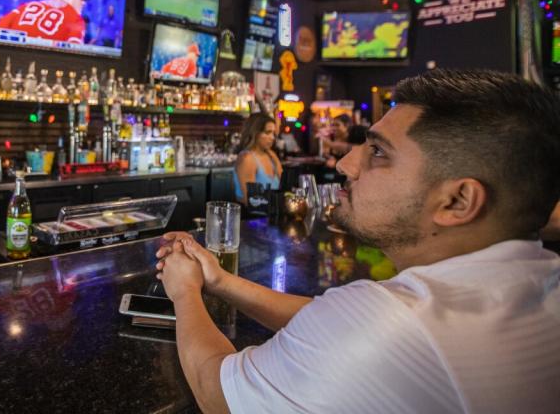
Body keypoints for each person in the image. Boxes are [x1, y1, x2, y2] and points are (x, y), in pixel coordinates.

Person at [156, 69, 560, 413]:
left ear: (458, 200)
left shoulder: (392, 324)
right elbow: (323, 317)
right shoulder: (534, 283)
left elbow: (216, 394)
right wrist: (222, 282)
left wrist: (185, 291)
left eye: (379, 152)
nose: (346, 163)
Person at [232, 113, 282, 206]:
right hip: (250, 217)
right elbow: (251, 201)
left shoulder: (271, 155)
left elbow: (281, 188)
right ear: (255, 133)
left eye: (273, 133)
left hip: (270, 213)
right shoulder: (247, 159)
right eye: (267, 132)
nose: (272, 138)